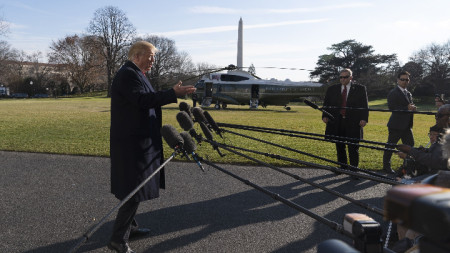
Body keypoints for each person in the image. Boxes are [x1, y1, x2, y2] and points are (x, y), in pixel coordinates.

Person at [109, 41, 196, 253]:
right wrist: (172, 93)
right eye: (150, 56)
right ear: (137, 56)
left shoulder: (137, 74)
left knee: (133, 186)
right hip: (132, 143)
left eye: (154, 57)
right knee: (134, 187)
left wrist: (171, 93)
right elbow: (142, 100)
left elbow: (148, 98)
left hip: (138, 140)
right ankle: (117, 240)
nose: (153, 60)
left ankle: (130, 227)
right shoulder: (128, 74)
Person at [322, 68, 369, 173]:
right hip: (337, 122)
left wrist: (364, 119)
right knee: (339, 145)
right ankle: (342, 167)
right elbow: (326, 104)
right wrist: (325, 116)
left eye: (345, 77)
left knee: (353, 147)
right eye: (341, 77)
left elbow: (364, 105)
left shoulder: (360, 89)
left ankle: (353, 170)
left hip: (353, 122)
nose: (342, 79)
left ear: (351, 77)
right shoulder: (332, 89)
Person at [382, 71, 416, 174]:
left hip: (407, 126)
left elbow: (408, 107)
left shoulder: (408, 93)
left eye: (407, 80)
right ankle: (386, 167)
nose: (405, 81)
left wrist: (413, 108)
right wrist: (407, 108)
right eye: (402, 79)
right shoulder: (393, 93)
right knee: (390, 146)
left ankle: (406, 166)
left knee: (410, 145)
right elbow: (392, 108)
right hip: (396, 125)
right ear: (397, 80)